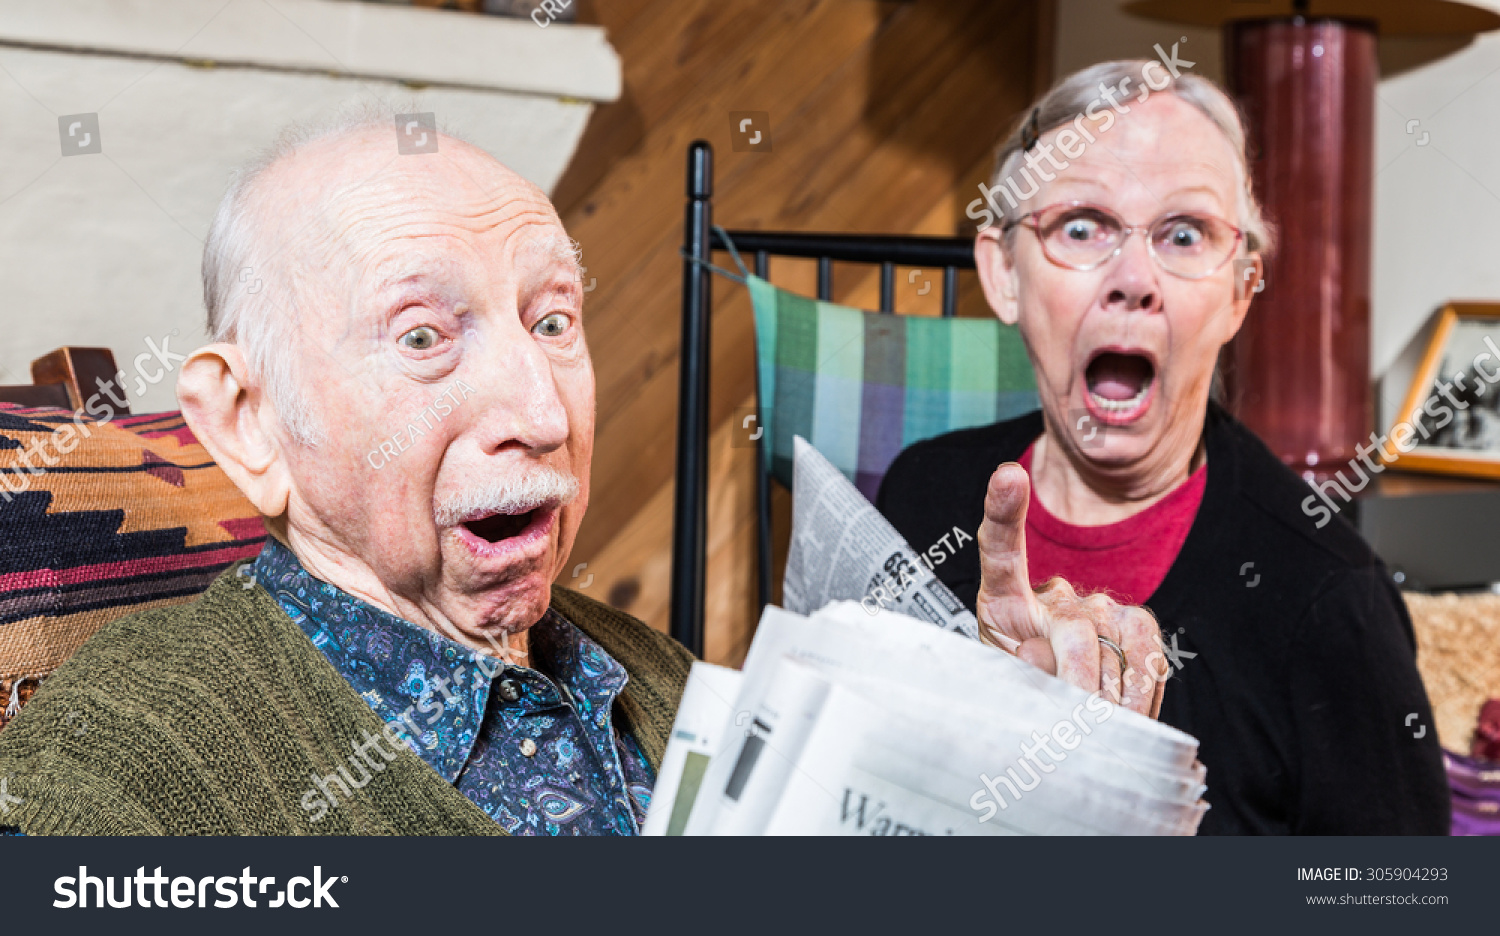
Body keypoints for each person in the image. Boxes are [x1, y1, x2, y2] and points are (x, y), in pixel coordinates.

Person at [0, 105, 1161, 836]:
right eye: (423, 336)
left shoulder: (649, 670)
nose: (543, 409)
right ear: (250, 422)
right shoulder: (111, 784)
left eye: (554, 320)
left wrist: (1017, 747)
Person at [878, 61, 1450, 835]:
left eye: (1184, 234)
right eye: (1082, 226)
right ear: (1004, 272)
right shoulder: (922, 495)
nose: (1134, 278)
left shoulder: (1328, 600)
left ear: (1240, 292)